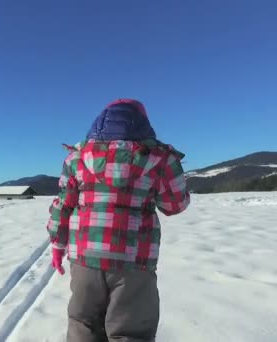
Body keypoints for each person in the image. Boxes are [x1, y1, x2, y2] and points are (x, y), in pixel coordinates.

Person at [46, 99, 190, 342]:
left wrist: (57, 245)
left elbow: (64, 204)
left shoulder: (77, 158)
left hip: (84, 259)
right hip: (133, 263)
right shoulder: (160, 159)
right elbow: (175, 205)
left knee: (83, 325)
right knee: (130, 332)